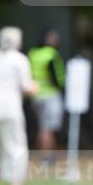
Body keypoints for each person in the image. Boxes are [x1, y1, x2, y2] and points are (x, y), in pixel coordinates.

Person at [0, 27, 38, 185]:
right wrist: (35, 87)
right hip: (9, 109)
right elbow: (26, 87)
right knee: (15, 147)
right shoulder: (19, 59)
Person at [28, 29, 65, 163]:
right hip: (50, 94)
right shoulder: (51, 54)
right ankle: (47, 156)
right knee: (48, 128)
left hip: (36, 96)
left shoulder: (33, 53)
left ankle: (44, 155)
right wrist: (61, 87)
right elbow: (55, 77)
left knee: (42, 127)